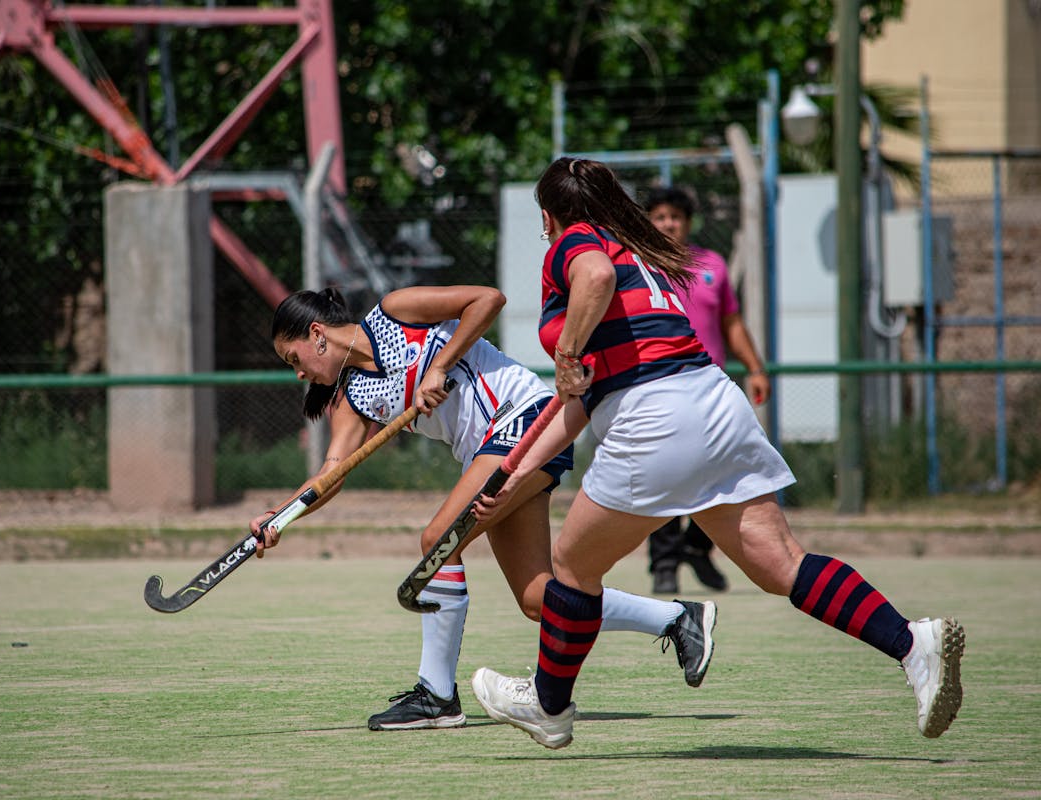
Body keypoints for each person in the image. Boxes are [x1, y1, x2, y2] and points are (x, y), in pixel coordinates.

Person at [469, 157, 965, 749]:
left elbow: (593, 280)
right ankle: (912, 643)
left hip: (655, 418)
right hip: (713, 403)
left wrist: (567, 352)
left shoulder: (578, 242)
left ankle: (548, 707)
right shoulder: (641, 252)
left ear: (548, 214)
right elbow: (580, 406)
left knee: (573, 568)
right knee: (781, 564)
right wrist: (514, 473)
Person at [253, 284, 718, 732]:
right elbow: (330, 475)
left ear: (317, 335)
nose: (298, 373)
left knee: (438, 540)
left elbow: (487, 299)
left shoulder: (395, 311)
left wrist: (439, 366)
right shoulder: (352, 399)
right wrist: (279, 517)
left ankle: (435, 696)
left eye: (294, 359)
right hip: (485, 452)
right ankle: (677, 619)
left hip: (525, 420)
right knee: (539, 600)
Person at [641, 186, 770, 595]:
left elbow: (732, 323)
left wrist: (755, 368)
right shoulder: (639, 265)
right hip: (657, 387)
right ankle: (664, 564)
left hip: (711, 392)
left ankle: (697, 547)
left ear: (689, 222)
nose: (668, 224)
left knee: (724, 472)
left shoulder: (712, 264)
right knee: (664, 477)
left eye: (675, 216)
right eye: (659, 217)